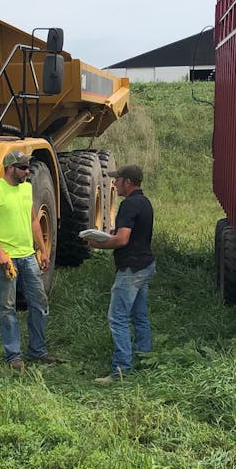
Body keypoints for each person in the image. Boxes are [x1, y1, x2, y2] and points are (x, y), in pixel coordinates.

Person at [0, 149, 60, 372]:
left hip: (27, 256)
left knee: (39, 303)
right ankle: (13, 355)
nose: (27, 171)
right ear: (10, 168)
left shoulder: (27, 188)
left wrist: (42, 251)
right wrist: (0, 253)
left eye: (28, 168)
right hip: (6, 260)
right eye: (23, 167)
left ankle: (37, 350)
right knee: (8, 308)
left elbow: (34, 220)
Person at [88, 164, 155, 383]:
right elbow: (131, 233)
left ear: (127, 181)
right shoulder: (145, 203)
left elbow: (122, 240)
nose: (115, 184)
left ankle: (120, 370)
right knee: (139, 316)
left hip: (131, 269)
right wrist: (111, 233)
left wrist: (98, 243)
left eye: (117, 180)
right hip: (145, 266)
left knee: (117, 317)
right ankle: (144, 358)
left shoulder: (128, 205)